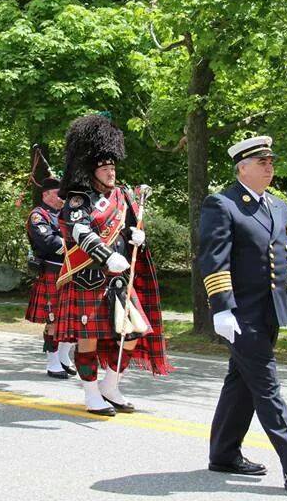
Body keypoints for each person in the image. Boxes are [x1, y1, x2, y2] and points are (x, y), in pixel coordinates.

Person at [199, 135, 287, 492]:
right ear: (242, 168)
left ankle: (224, 453)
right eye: (262, 163)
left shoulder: (278, 206)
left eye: (271, 162)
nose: (270, 168)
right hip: (241, 314)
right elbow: (214, 258)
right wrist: (222, 308)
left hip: (271, 312)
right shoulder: (222, 204)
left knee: (241, 383)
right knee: (267, 386)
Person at [55, 114, 169, 416]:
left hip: (120, 279)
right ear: (91, 170)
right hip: (88, 276)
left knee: (134, 333)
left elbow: (131, 229)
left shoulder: (123, 196)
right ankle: (91, 393)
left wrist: (138, 237)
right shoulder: (80, 199)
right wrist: (106, 256)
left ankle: (111, 385)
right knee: (87, 338)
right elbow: (80, 232)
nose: (111, 172)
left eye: (113, 167)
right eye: (105, 168)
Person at [24, 176, 75, 378]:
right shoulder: (38, 215)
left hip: (71, 269)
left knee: (72, 316)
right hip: (53, 270)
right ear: (46, 194)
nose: (62, 196)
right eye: (58, 193)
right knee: (53, 318)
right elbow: (48, 242)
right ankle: (52, 362)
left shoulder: (66, 214)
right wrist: (76, 246)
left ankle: (63, 357)